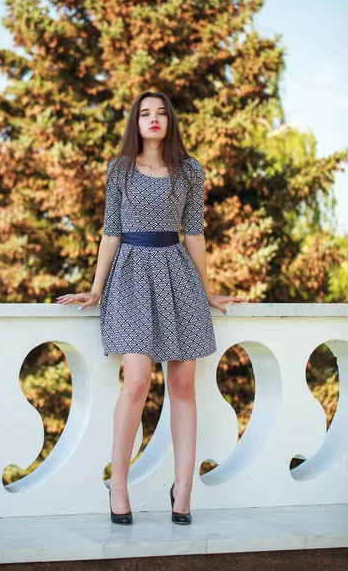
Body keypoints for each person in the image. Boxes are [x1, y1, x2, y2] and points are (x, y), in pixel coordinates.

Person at [56, 91, 245, 525]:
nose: (154, 119)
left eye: (161, 113)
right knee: (137, 381)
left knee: (182, 388)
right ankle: (118, 484)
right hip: (130, 277)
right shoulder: (120, 169)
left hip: (177, 274)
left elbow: (193, 232)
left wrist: (207, 289)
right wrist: (95, 289)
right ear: (135, 123)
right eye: (145, 113)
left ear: (170, 121)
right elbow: (111, 231)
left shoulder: (189, 171)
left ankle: (184, 491)